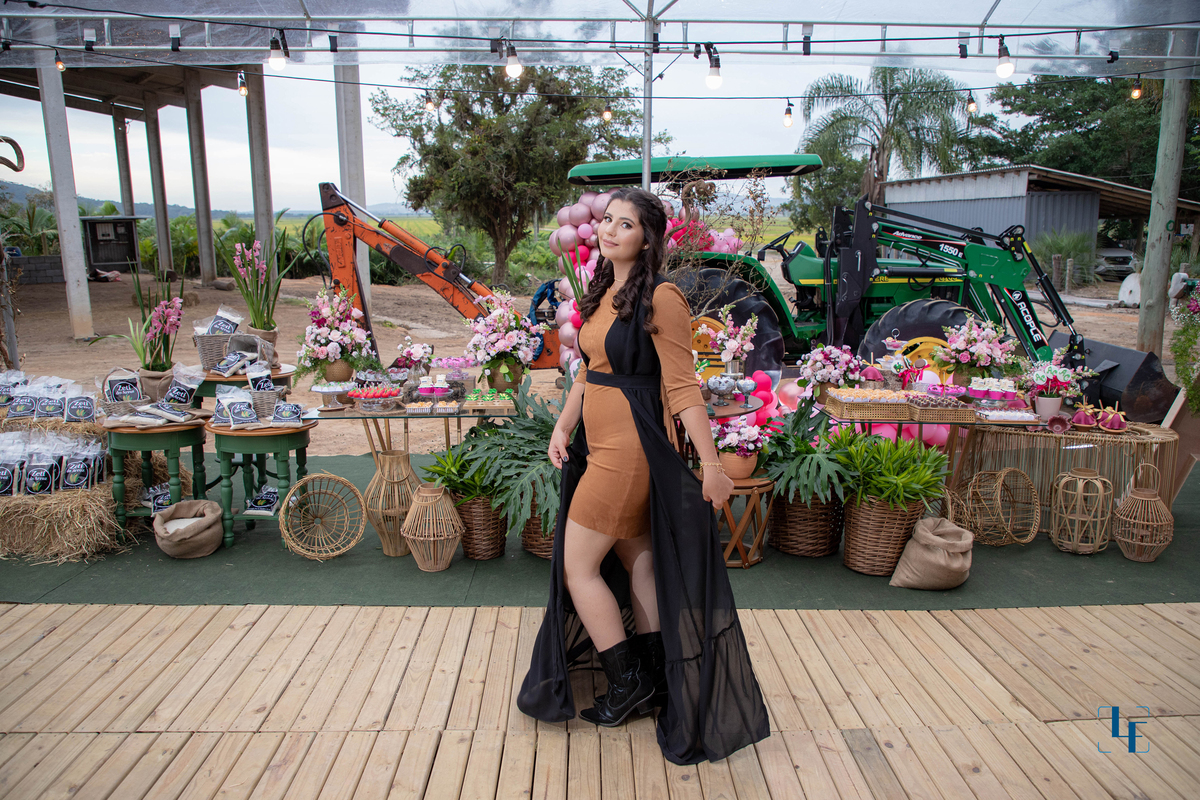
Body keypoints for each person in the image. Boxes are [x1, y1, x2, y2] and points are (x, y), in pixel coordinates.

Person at [517, 187, 769, 764]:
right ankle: (658, 676)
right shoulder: (603, 288)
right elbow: (588, 371)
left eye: (624, 224)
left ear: (648, 238)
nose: (609, 230)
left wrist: (711, 466)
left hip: (629, 451)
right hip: (598, 444)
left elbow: (682, 387)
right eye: (606, 220)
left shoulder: (663, 297)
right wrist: (563, 426)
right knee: (640, 564)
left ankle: (628, 682)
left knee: (578, 567)